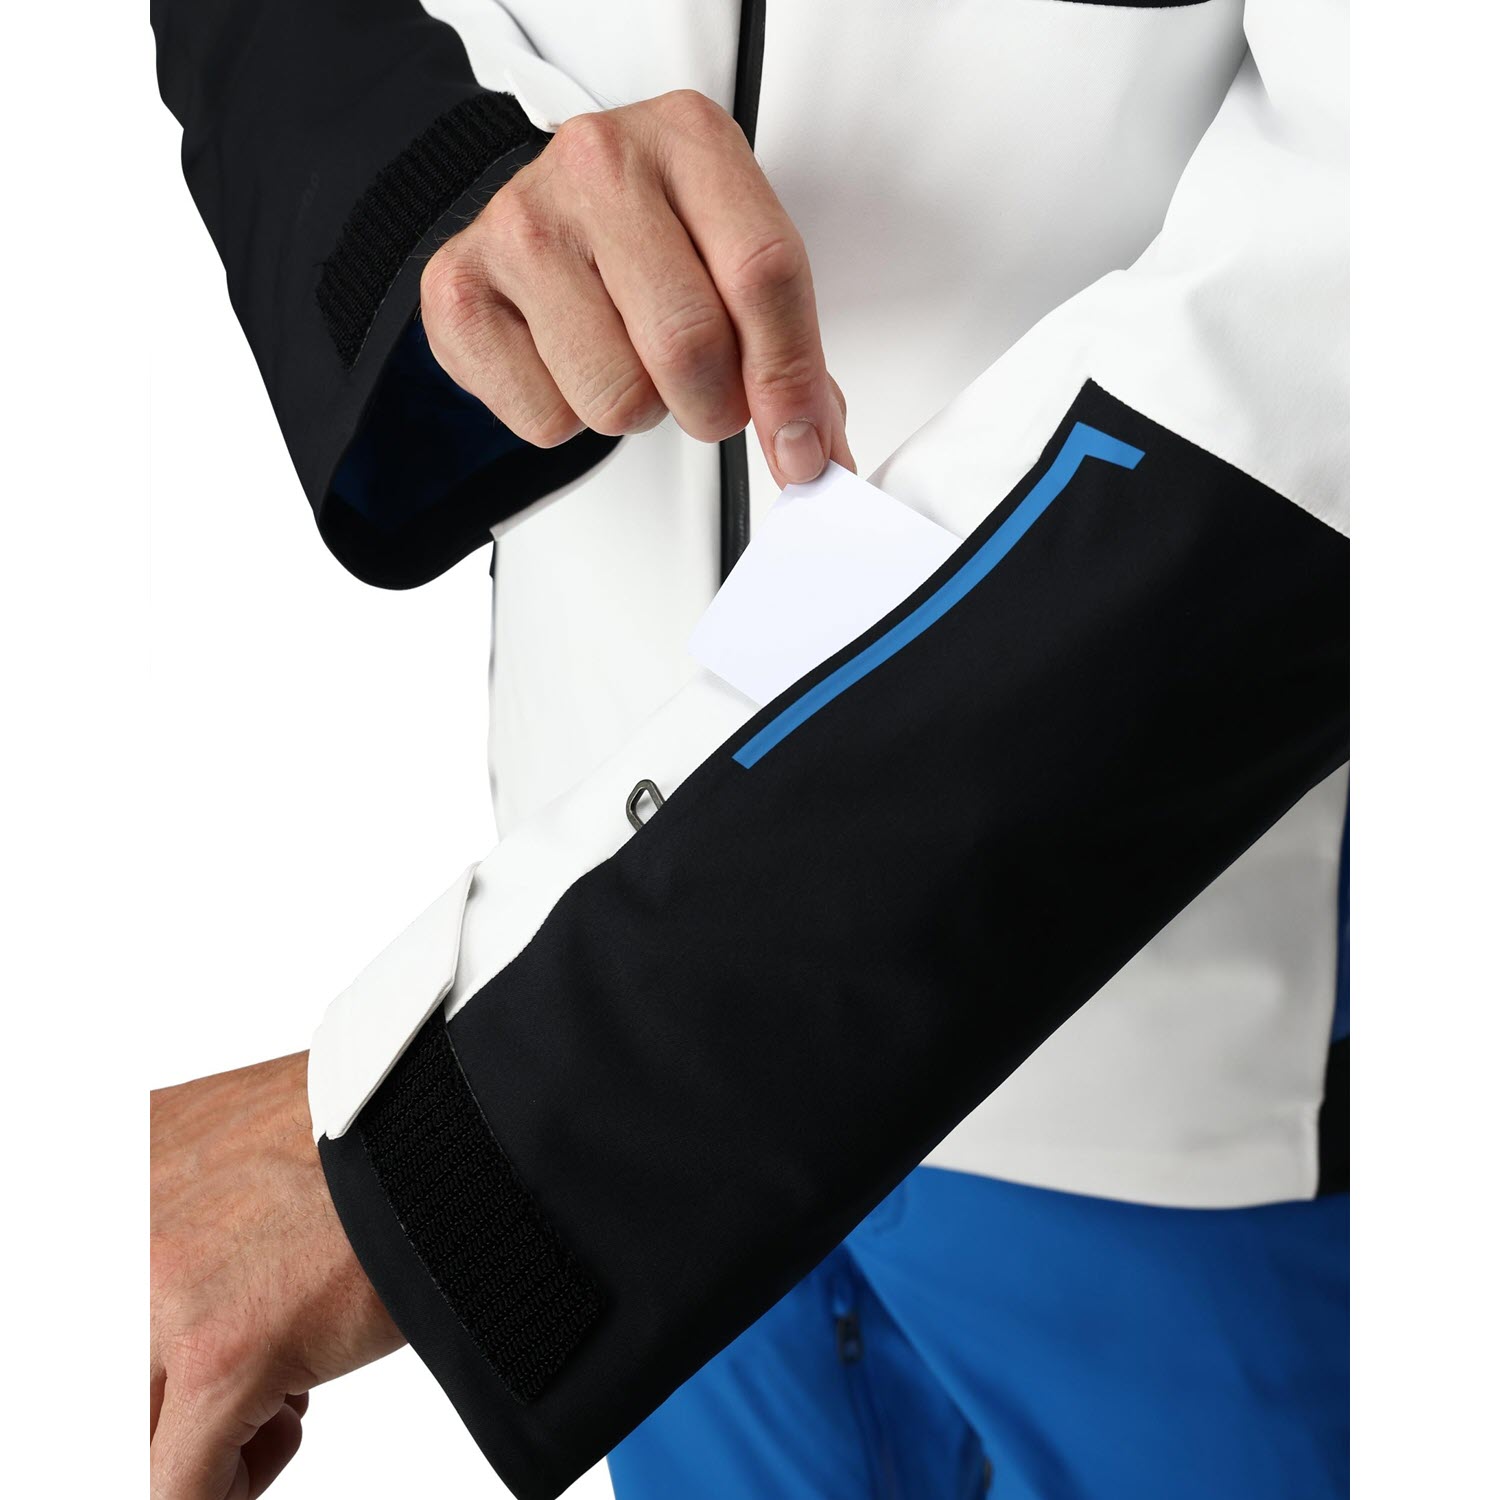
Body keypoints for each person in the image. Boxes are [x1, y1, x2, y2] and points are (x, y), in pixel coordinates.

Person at [149, 2, 1350, 1498]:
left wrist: (457, 1148)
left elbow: (1371, 303)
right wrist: (446, 196)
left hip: (1159, 1056)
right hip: (595, 951)